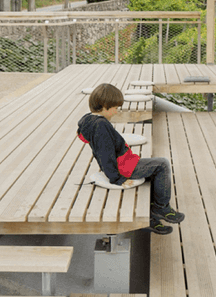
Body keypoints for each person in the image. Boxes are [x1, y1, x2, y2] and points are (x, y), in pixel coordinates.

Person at [77, 83, 184, 235]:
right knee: (162, 164)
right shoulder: (101, 126)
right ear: (105, 107)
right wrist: (117, 178)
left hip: (123, 163)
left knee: (154, 171)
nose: (116, 111)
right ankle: (161, 208)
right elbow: (105, 154)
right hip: (124, 167)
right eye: (115, 108)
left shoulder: (89, 120)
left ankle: (151, 215)